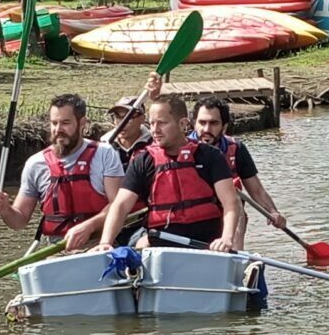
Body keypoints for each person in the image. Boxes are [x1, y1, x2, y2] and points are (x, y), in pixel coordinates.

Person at [95, 93, 247, 251]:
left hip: (206, 245)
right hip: (162, 245)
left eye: (161, 123)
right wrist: (105, 242)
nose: (155, 130)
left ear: (183, 124)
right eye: (152, 123)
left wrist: (227, 238)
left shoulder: (210, 156)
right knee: (139, 245)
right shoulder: (143, 161)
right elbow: (120, 206)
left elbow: (231, 203)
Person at [0, 93, 128, 249]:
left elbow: (119, 205)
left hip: (99, 244)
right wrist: (5, 209)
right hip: (56, 248)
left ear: (83, 123)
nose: (58, 129)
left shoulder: (104, 154)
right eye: (54, 123)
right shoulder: (35, 164)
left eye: (65, 123)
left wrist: (89, 226)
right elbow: (19, 222)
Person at [191, 98, 289, 232]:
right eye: (202, 123)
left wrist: (273, 211)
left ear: (224, 127)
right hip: (192, 214)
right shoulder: (180, 148)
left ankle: (234, 250)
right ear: (193, 124)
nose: (206, 129)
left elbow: (257, 190)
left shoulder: (236, 149)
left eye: (214, 123)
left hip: (227, 213)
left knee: (236, 201)